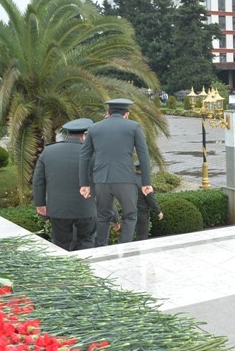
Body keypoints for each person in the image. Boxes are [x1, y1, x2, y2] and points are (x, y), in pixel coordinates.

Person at [79, 97, 154, 247]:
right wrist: (146, 183)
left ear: (108, 112)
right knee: (130, 215)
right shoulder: (133, 127)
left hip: (101, 180)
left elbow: (84, 156)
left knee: (103, 216)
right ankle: (124, 248)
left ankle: (101, 248)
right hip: (125, 179)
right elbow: (143, 155)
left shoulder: (94, 128)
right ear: (126, 114)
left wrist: (84, 184)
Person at [32, 118, 98, 251]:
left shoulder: (48, 151)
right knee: (86, 242)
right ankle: (85, 269)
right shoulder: (94, 153)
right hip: (86, 208)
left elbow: (38, 180)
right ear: (85, 134)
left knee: (61, 245)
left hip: (58, 210)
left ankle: (65, 271)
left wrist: (40, 204)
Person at [134, 170, 163, 241]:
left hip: (130, 211)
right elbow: (150, 198)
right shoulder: (145, 182)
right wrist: (158, 211)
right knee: (142, 236)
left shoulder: (130, 179)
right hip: (142, 212)